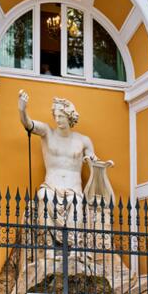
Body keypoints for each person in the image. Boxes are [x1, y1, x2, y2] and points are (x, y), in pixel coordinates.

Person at [17, 90, 115, 226]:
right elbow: (28, 124)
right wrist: (22, 109)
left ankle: (74, 246)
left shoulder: (83, 141)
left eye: (61, 116)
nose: (57, 120)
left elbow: (94, 164)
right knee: (42, 197)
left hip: (74, 190)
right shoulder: (47, 132)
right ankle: (49, 247)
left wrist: (96, 162)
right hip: (50, 187)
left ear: (69, 116)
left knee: (78, 205)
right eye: (55, 116)